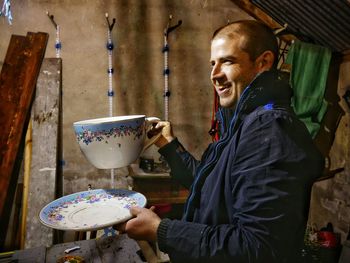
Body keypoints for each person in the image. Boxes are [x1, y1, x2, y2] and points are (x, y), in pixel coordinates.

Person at [121, 20, 324, 262]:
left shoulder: (269, 130)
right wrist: (168, 145)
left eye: (227, 61)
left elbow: (258, 247)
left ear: (263, 63)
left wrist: (161, 231)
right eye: (212, 64)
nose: (214, 75)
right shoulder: (243, 121)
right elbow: (210, 186)